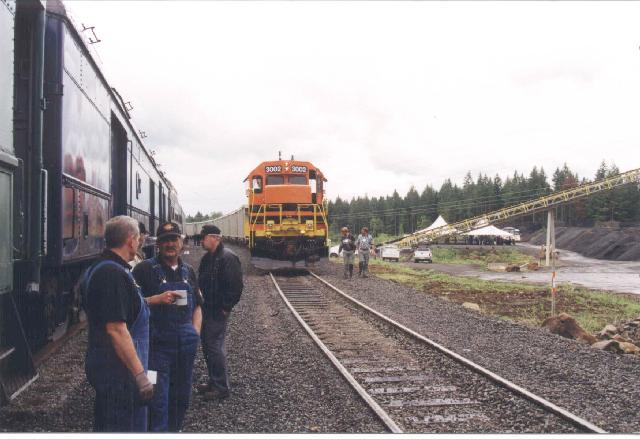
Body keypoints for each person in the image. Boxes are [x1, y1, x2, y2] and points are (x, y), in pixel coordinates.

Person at [82, 215, 153, 432]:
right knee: (121, 425)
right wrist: (141, 376)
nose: (140, 243)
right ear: (131, 240)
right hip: (117, 369)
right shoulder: (112, 274)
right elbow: (116, 330)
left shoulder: (103, 267)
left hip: (110, 364)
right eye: (139, 239)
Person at [132, 221, 203, 432]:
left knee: (181, 397)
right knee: (156, 398)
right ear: (157, 245)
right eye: (165, 241)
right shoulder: (144, 270)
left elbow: (198, 306)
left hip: (185, 347)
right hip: (156, 349)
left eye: (174, 239)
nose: (170, 244)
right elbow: (131, 306)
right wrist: (156, 299)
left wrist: (194, 333)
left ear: (181, 242)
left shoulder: (188, 271)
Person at [197, 224, 243, 400]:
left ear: (214, 237)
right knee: (208, 346)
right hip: (207, 308)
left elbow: (236, 287)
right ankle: (214, 380)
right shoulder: (209, 258)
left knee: (214, 346)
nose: (201, 241)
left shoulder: (228, 258)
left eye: (203, 237)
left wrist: (225, 307)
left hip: (217, 310)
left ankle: (221, 387)